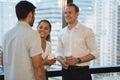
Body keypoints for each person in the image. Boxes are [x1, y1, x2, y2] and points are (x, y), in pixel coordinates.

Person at [2, 1, 46, 80]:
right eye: (34, 14)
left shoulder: (6, 36)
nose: (34, 18)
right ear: (30, 14)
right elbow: (38, 67)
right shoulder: (33, 34)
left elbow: (2, 61)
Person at [56, 3, 99, 80]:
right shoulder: (61, 32)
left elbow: (95, 53)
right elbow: (58, 52)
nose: (67, 15)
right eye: (65, 13)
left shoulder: (87, 31)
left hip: (82, 72)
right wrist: (61, 61)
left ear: (77, 14)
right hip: (66, 72)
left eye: (70, 12)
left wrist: (78, 60)